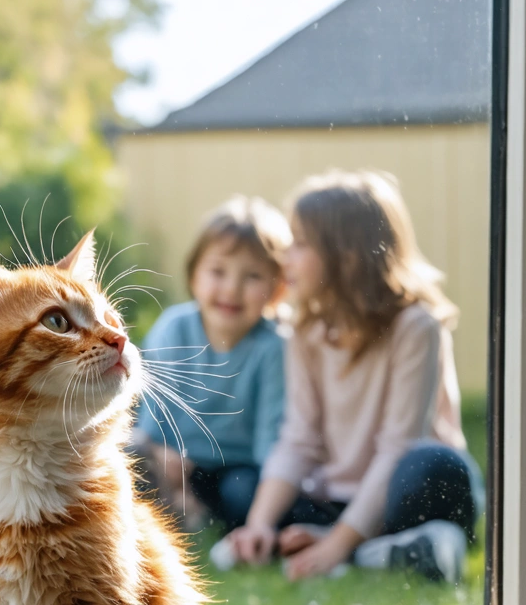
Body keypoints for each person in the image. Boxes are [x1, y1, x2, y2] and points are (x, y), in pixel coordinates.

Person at [226, 170, 484, 583]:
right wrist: (259, 522)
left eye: (300, 244)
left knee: (434, 467)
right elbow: (299, 438)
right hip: (341, 498)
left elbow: (399, 446)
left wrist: (336, 545)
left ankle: (347, 546)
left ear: (346, 256)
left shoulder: (416, 327)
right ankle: (386, 550)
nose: (284, 257)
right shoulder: (305, 333)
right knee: (243, 491)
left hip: (406, 487)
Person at [135, 196, 289, 537]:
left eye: (252, 277)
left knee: (243, 495)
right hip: (173, 458)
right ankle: (180, 508)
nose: (231, 289)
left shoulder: (274, 347)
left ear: (277, 289)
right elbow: (151, 418)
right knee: (133, 461)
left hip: (236, 468)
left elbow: (271, 441)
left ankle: (196, 514)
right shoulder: (173, 327)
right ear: (194, 276)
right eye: (218, 272)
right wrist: (161, 455)